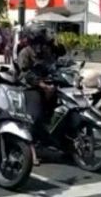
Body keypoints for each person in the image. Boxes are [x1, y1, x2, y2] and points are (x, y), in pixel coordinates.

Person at [17, 22, 66, 165]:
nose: (45, 37)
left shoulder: (47, 50)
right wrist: (42, 85)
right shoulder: (25, 52)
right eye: (42, 34)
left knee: (63, 111)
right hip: (32, 88)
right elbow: (25, 74)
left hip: (49, 85)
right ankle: (30, 151)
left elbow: (59, 58)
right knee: (35, 117)